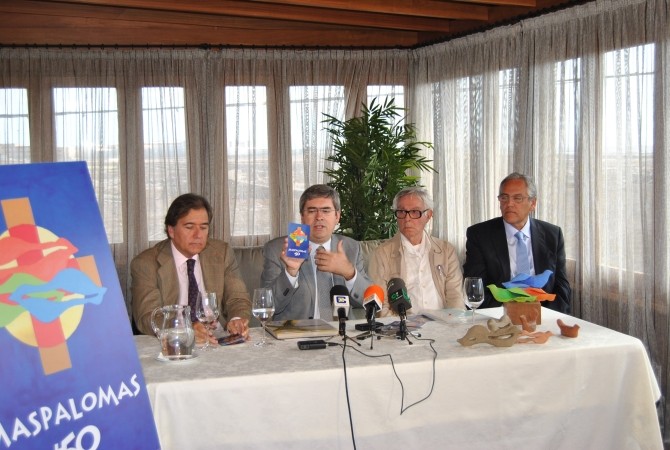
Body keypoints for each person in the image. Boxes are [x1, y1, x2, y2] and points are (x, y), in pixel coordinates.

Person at [131, 193, 251, 344]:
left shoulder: (221, 253)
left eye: (203, 227)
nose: (198, 235)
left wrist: (236, 319)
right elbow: (148, 316)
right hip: (174, 342)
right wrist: (185, 328)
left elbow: (237, 298)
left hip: (218, 338)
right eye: (189, 227)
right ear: (171, 230)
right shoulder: (146, 263)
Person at [463, 172, 571, 313]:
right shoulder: (480, 235)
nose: (509, 204)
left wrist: (546, 316)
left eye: (517, 198)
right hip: (499, 315)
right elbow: (475, 287)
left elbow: (562, 287)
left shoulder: (552, 235)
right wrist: (510, 313)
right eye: (504, 198)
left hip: (544, 314)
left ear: (533, 203)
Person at [261, 184, 372, 321]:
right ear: (302, 217)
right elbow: (267, 306)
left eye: (326, 210)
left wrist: (349, 273)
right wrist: (290, 273)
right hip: (298, 331)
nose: (319, 217)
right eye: (312, 211)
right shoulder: (278, 249)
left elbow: (370, 301)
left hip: (342, 330)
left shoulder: (351, 247)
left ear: (337, 216)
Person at [368, 187, 464, 316]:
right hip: (402, 324)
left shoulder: (446, 251)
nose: (407, 218)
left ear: (428, 215)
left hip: (444, 322)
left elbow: (455, 297)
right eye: (401, 212)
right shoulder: (382, 254)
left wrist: (453, 322)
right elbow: (381, 306)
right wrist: (402, 325)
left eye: (414, 212)